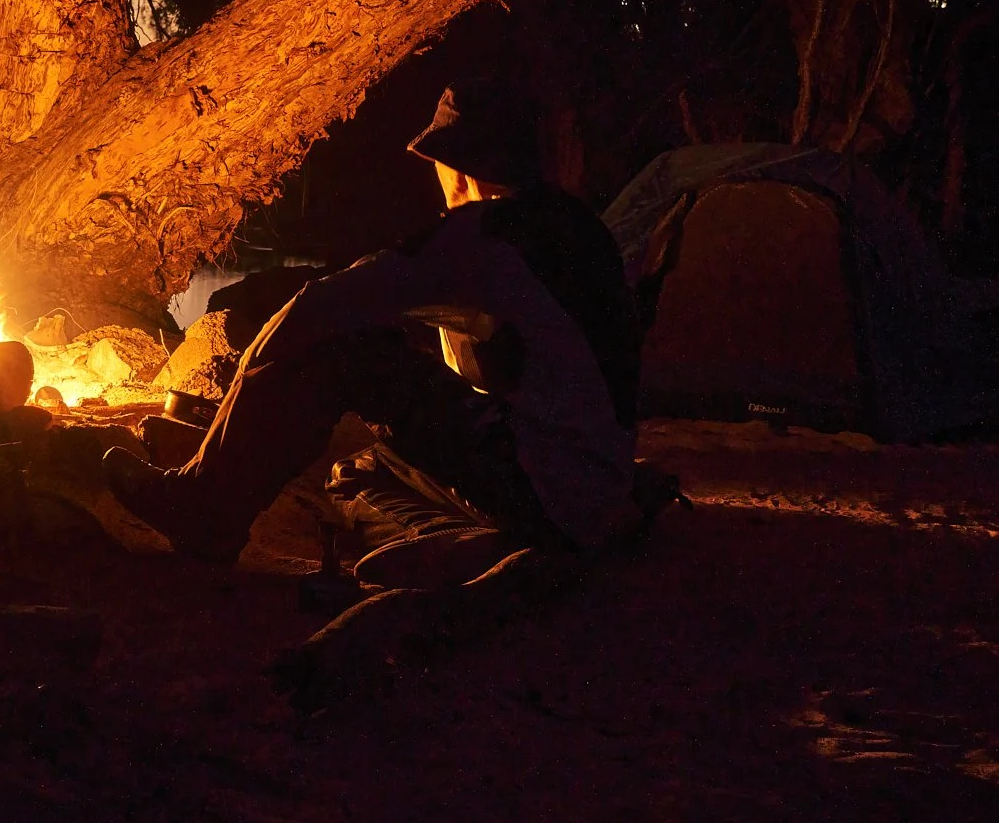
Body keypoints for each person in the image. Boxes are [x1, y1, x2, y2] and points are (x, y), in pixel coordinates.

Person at [104, 81, 644, 578]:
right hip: (597, 486)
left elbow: (319, 306)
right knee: (359, 472)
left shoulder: (485, 236)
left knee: (343, 347)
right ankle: (478, 545)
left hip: (549, 493)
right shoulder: (577, 229)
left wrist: (250, 375)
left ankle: (205, 508)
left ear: (458, 168)